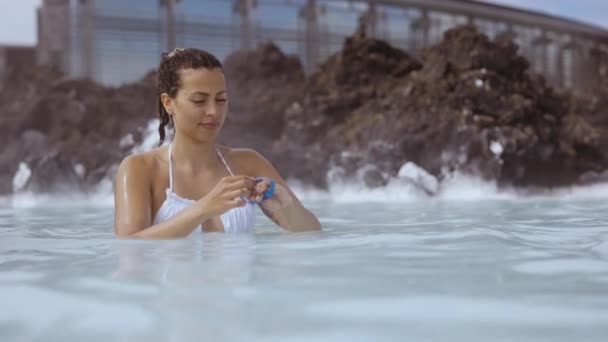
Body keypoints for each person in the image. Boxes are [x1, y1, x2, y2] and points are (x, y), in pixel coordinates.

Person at [113, 48, 321, 238]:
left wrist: (284, 205)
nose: (213, 111)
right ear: (168, 103)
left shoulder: (248, 163)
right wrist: (204, 208)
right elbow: (129, 247)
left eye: (220, 99)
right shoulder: (139, 169)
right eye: (199, 100)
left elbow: (312, 234)